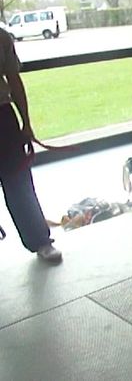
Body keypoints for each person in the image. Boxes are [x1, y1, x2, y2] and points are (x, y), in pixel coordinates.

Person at [0, 28, 62, 263]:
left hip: (2, 117)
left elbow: (14, 81)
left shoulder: (2, 38)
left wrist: (26, 123)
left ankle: (40, 241)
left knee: (19, 185)